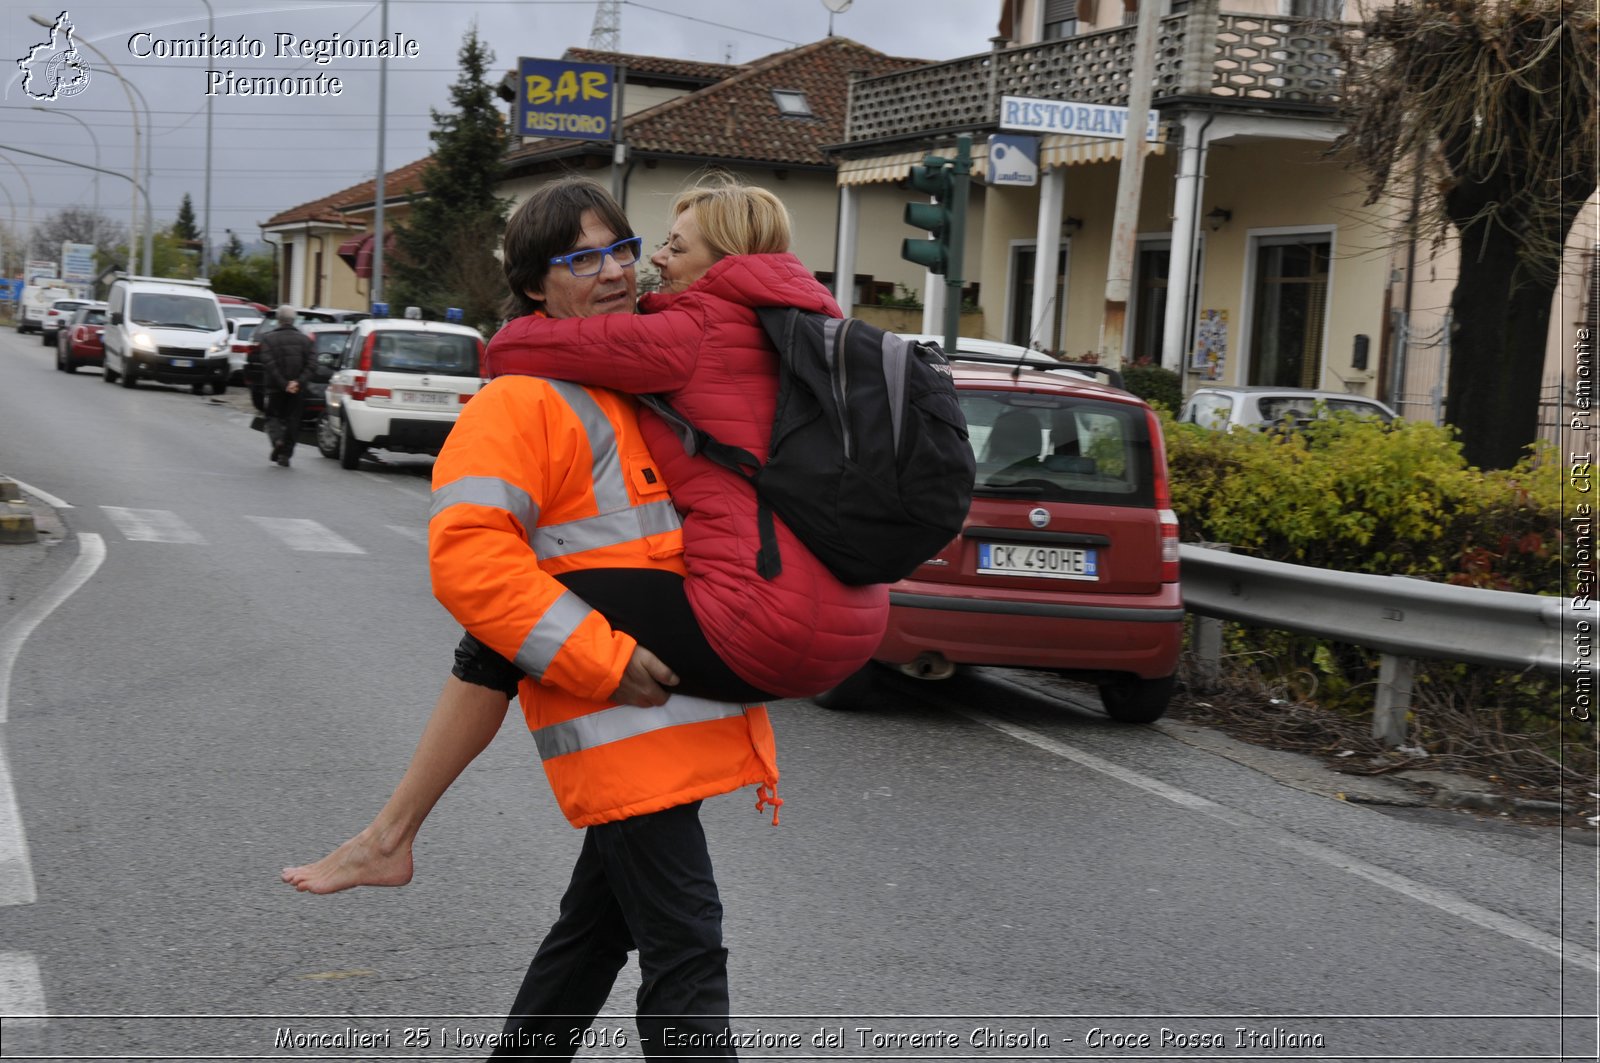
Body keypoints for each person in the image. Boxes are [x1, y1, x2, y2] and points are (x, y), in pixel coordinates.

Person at [284, 178, 783, 1059]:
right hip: (621, 715)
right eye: (583, 260)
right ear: (533, 289)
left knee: (595, 934)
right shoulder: (518, 403)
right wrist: (597, 658)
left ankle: (390, 844)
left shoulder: (639, 386)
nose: (617, 272)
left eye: (623, 250)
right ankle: (385, 837)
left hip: (669, 712)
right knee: (687, 948)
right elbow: (472, 560)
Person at [481, 176, 889, 699]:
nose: (655, 261)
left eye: (674, 247)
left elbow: (511, 347)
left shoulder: (694, 333)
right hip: (855, 625)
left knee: (516, 617)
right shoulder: (806, 318)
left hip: (765, 625)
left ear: (725, 262)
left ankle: (416, 787)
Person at [258, 305, 314, 467]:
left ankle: (277, 441)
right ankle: (285, 455)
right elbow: (312, 364)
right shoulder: (305, 341)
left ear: (278, 320)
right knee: (293, 420)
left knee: (272, 416)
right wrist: (298, 382)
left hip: (275, 388)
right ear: (293, 320)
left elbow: (269, 364)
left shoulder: (268, 339)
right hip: (297, 389)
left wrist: (283, 384)